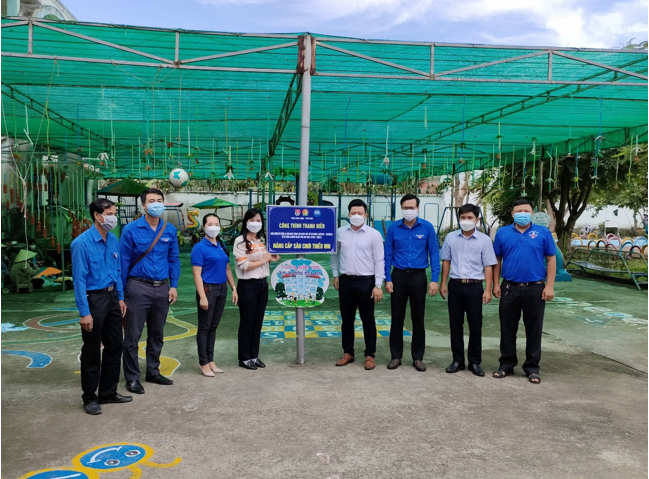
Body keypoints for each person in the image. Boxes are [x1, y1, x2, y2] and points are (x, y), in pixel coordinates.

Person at [71, 198, 131, 415]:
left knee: (115, 345)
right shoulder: (81, 243)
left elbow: (117, 271)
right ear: (97, 215)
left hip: (112, 296)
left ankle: (108, 392)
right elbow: (79, 280)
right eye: (109, 213)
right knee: (92, 349)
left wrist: (120, 297)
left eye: (115, 213)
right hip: (93, 299)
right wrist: (84, 312)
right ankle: (89, 398)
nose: (114, 217)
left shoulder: (113, 239)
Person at [120, 188, 180, 394]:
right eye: (152, 201)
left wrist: (174, 285)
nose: (156, 204)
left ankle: (153, 371)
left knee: (157, 333)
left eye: (159, 200)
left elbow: (173, 259)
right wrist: (121, 294)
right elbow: (123, 262)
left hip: (162, 287)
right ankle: (132, 377)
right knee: (132, 335)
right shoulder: (130, 230)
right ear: (144, 205)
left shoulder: (169, 229)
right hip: (137, 287)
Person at [492, 198, 556, 384]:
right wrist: (496, 284)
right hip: (509, 287)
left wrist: (549, 286)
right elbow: (496, 259)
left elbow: (551, 259)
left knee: (534, 329)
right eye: (519, 211)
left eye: (526, 211)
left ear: (532, 213)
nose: (522, 214)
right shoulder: (503, 233)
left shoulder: (543, 233)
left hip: (535, 288)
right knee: (507, 328)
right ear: (513, 214)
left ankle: (532, 367)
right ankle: (506, 364)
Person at [439, 204, 497, 377]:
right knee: (455, 324)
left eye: (470, 217)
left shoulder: (484, 240)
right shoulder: (451, 237)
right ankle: (457, 360)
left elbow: (488, 265)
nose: (466, 220)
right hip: (455, 285)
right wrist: (443, 283)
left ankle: (474, 362)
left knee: (475, 325)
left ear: (477, 219)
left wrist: (488, 289)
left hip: (475, 286)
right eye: (463, 217)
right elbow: (446, 261)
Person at [384, 193, 440, 372]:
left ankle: (418, 357)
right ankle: (396, 356)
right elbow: (387, 255)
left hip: (418, 277)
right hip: (398, 276)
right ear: (401, 209)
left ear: (417, 208)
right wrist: (388, 278)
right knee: (397, 318)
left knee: (418, 319)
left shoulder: (427, 227)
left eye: (412, 207)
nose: (409, 210)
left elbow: (434, 254)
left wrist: (435, 280)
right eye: (405, 208)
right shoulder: (394, 228)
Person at [331, 199, 385, 370]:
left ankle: (370, 355)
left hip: (366, 282)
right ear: (348, 214)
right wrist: (335, 275)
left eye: (360, 213)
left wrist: (378, 285)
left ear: (365, 215)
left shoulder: (374, 234)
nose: (356, 216)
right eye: (353, 213)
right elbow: (334, 254)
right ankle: (348, 353)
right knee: (347, 319)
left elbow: (379, 260)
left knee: (368, 320)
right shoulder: (340, 232)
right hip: (346, 281)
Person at [191, 214, 238, 377]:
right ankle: (203, 362)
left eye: (216, 223)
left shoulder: (221, 245)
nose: (213, 227)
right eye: (210, 224)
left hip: (222, 289)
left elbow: (227, 269)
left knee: (213, 327)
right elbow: (197, 274)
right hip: (208, 290)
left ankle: (211, 360)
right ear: (204, 227)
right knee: (204, 327)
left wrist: (233, 288)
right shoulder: (199, 248)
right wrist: (202, 296)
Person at [233, 208, 280, 370]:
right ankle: (244, 358)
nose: (255, 223)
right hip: (247, 286)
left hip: (262, 284)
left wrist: (271, 259)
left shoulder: (261, 240)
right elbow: (243, 265)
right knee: (247, 322)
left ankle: (254, 355)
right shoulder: (240, 241)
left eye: (258, 220)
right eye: (252, 220)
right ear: (246, 222)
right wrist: (264, 260)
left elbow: (264, 258)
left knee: (257, 322)